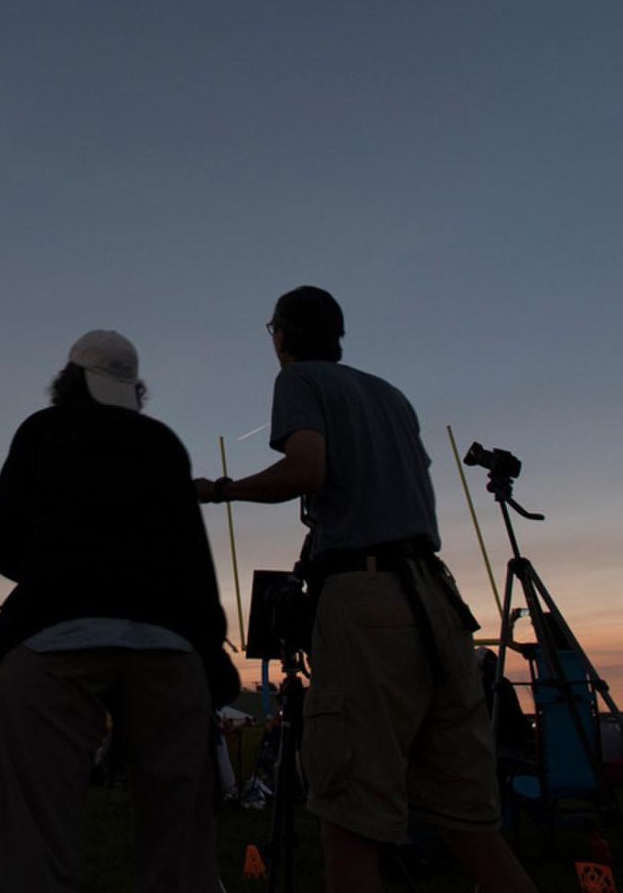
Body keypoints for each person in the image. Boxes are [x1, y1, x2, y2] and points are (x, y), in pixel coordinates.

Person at [202, 287, 534, 893]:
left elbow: (307, 469)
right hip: (437, 602)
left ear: (281, 335)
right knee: (471, 826)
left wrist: (222, 490)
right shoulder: (391, 396)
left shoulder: (299, 380)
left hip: (366, 599)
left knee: (350, 823)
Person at [0, 329, 235, 893]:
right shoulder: (164, 443)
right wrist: (210, 649)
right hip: (168, 647)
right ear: (132, 390)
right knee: (179, 842)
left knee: (38, 831)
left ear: (68, 380)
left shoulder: (41, 430)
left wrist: (53, 569)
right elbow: (194, 559)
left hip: (53, 639)